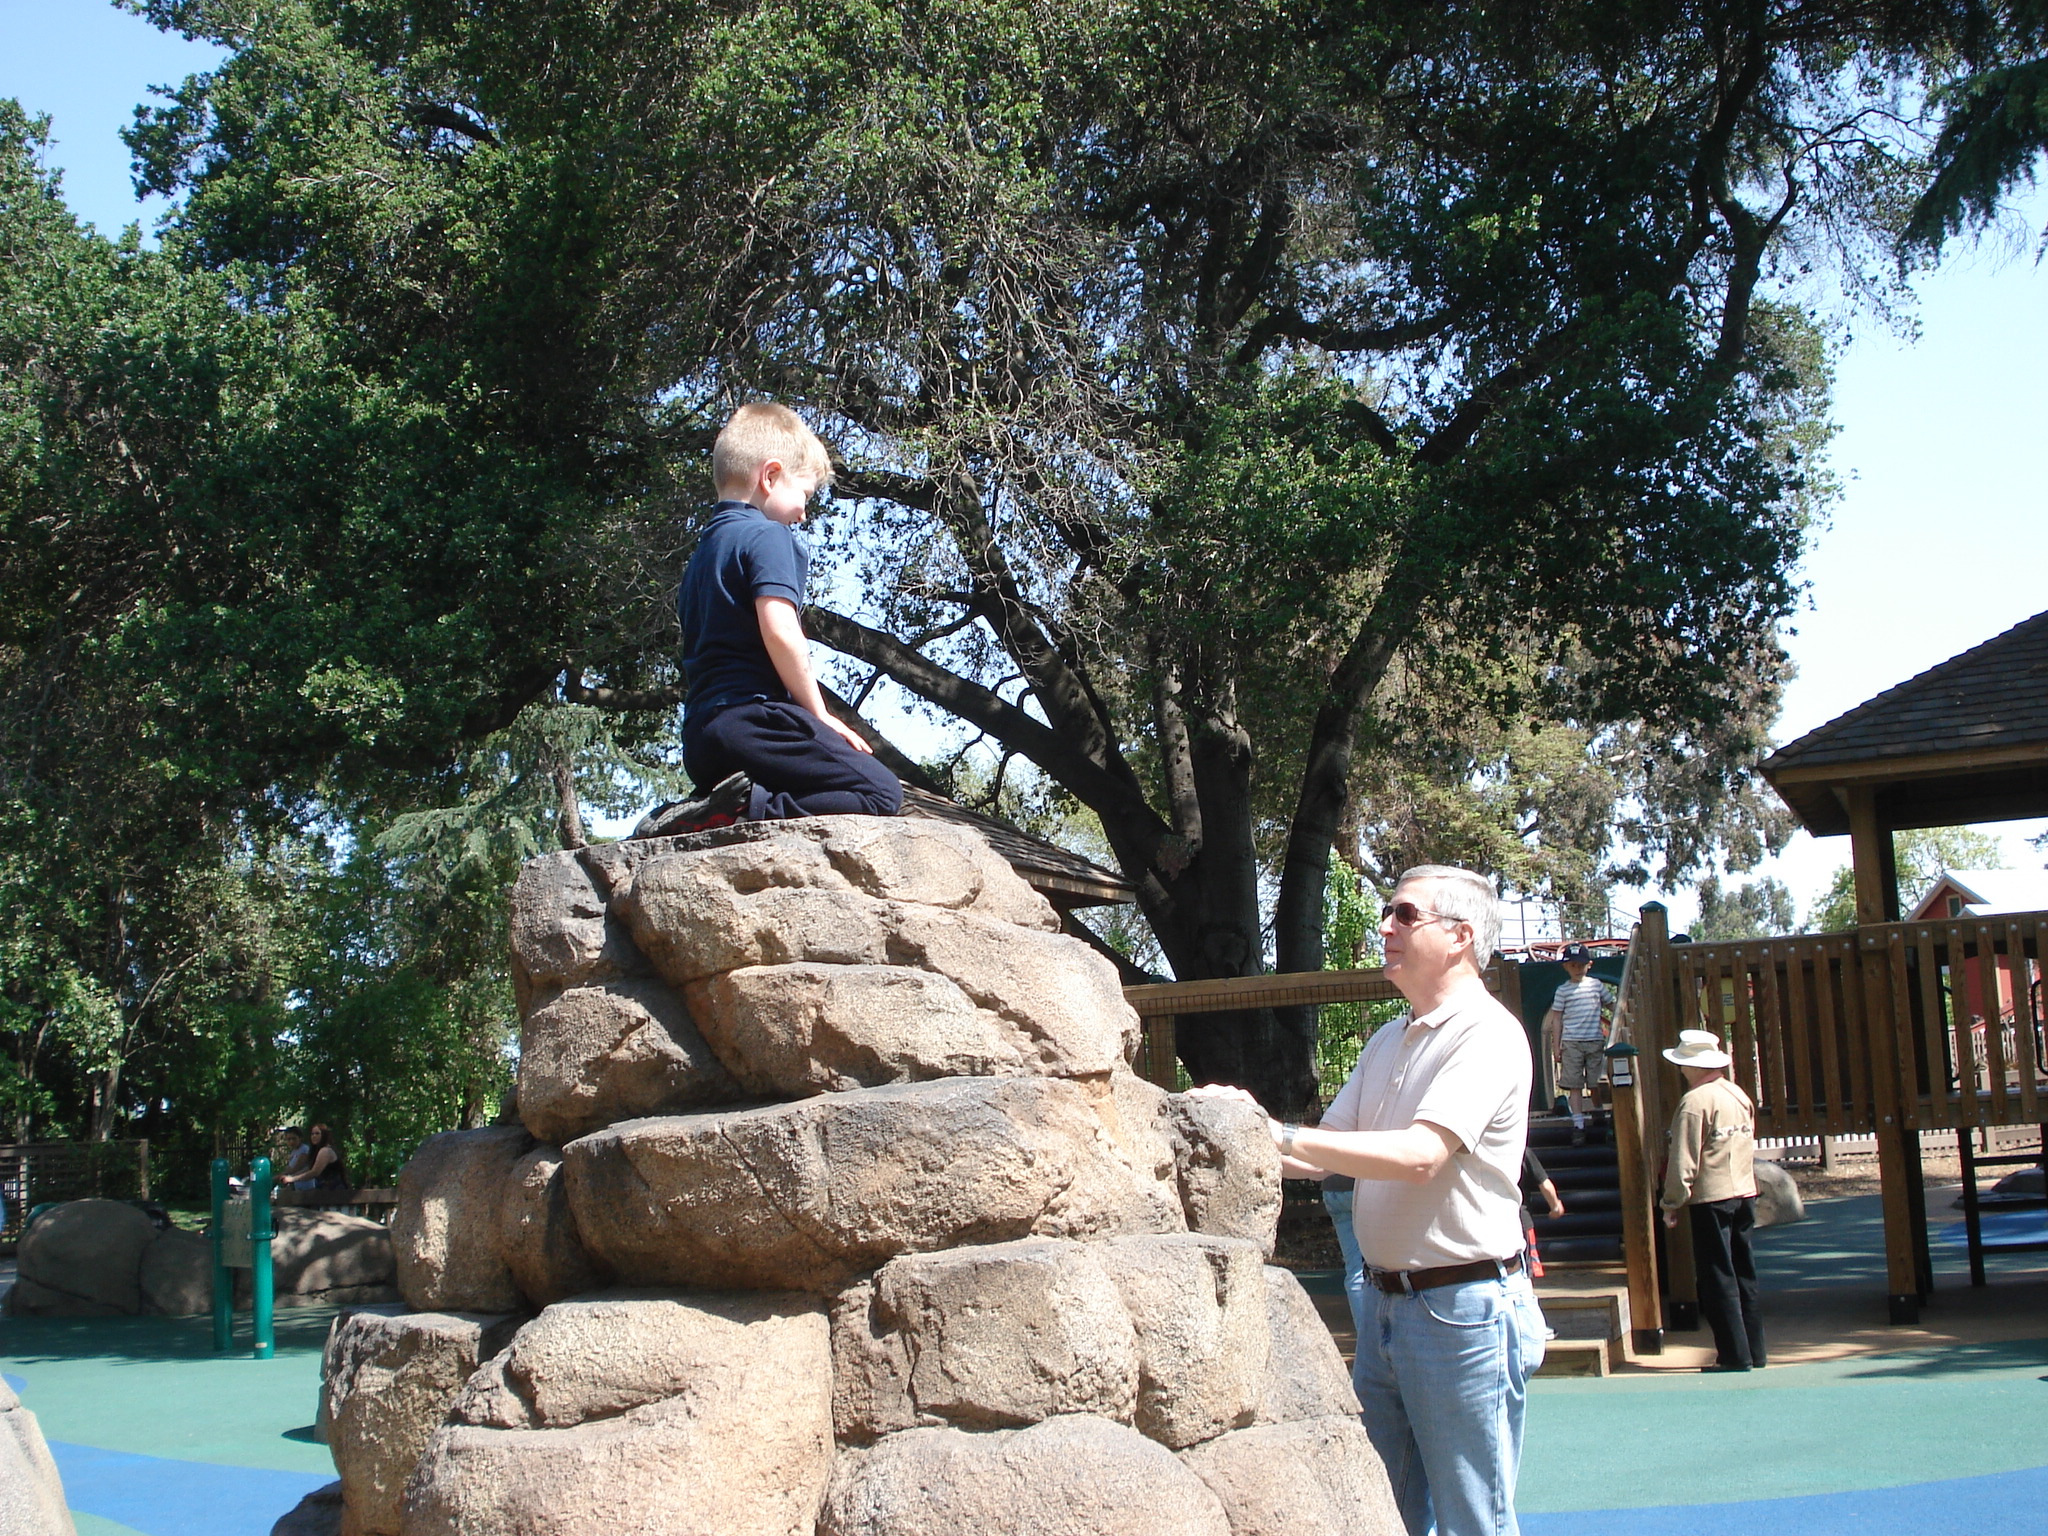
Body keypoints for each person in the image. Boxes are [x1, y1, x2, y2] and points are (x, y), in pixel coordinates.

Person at [1190, 864, 1541, 1536]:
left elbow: (1421, 1156)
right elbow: (1320, 1153)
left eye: (1404, 914)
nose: (1384, 927)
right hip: (1385, 1309)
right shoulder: (1387, 1038)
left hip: (1462, 1314)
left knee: (1474, 1521)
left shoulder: (1487, 1034)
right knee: (1380, 1515)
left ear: (1461, 936)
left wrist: (1276, 1134)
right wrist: (1229, 1128)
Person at [640, 403, 903, 837]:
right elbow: (781, 632)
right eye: (805, 496)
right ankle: (740, 812)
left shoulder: (702, 556)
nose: (803, 513)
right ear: (770, 476)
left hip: (701, 741)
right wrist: (819, 715)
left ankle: (716, 808)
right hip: (752, 724)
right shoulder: (767, 534)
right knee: (880, 791)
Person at [1659, 1029, 1766, 1372]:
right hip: (1744, 1192)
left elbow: (1684, 1158)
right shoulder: (1737, 1095)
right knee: (1744, 1272)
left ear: (1692, 1066)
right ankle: (1755, 1350)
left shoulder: (1694, 1102)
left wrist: (1672, 1202)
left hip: (1712, 1197)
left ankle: (1734, 1355)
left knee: (1718, 1276)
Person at [1543, 941, 1613, 1144]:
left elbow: (1612, 1004)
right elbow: (1557, 1019)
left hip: (1594, 1040)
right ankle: (1578, 1124)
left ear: (1589, 965)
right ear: (1566, 967)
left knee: (1595, 1083)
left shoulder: (1595, 985)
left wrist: (1621, 1015)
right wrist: (1557, 1046)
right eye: (1573, 965)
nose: (1577, 969)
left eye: (1581, 965)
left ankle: (1598, 1112)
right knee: (1574, 1085)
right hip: (1572, 1042)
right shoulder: (1563, 991)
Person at [1518, 1147, 1564, 1282]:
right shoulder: (1521, 1151)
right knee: (1526, 1270)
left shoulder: (1481, 1151)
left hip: (1490, 1220)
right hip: (1521, 1219)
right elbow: (1545, 1184)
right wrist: (1555, 1206)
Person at [296, 1124, 349, 1192]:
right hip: (324, 1189)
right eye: (312, 1134)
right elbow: (309, 1168)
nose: (314, 1136)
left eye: (317, 1133)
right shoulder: (316, 1151)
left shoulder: (325, 1150)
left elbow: (315, 1172)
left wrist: (293, 1179)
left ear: (324, 1135)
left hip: (335, 1190)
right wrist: (292, 1176)